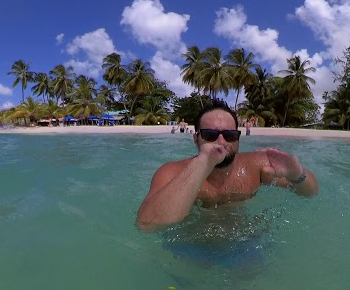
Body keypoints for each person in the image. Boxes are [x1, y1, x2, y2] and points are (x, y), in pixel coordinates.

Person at [136, 99, 318, 233]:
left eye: (229, 135)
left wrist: (297, 174)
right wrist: (203, 161)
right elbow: (147, 224)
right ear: (196, 138)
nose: (221, 142)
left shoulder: (257, 166)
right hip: (191, 246)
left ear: (238, 138)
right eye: (210, 134)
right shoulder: (173, 172)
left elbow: (311, 192)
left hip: (244, 243)